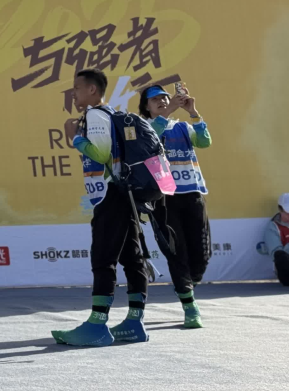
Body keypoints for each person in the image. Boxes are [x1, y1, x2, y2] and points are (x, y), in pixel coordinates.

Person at [52, 68, 152, 347]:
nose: (73, 94)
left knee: (103, 258)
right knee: (132, 256)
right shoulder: (110, 115)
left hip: (111, 195)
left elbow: (100, 153)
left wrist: (75, 137)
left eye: (76, 88)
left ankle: (97, 325)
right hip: (124, 194)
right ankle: (135, 322)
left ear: (92, 90)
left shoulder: (96, 115)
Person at [139, 83, 210, 329]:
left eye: (165, 97)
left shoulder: (183, 126)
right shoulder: (144, 126)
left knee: (201, 256)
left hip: (192, 193)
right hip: (164, 198)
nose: (162, 101)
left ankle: (187, 283)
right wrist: (168, 111)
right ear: (146, 106)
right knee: (176, 252)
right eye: (155, 99)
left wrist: (193, 113)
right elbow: (148, 142)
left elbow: (204, 142)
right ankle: (189, 305)